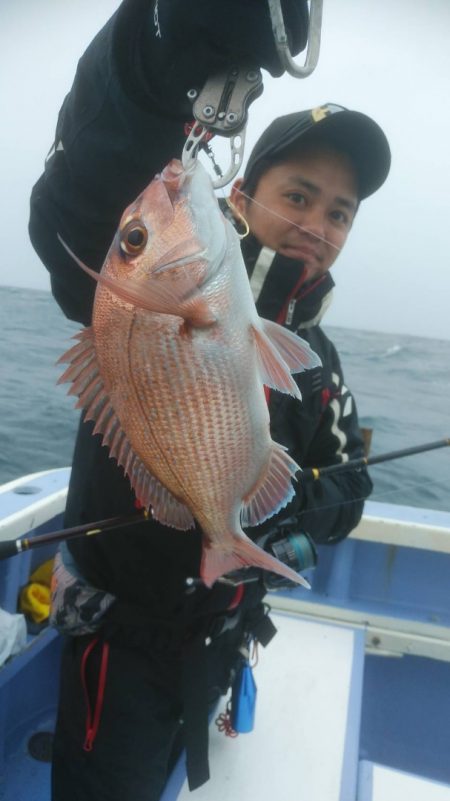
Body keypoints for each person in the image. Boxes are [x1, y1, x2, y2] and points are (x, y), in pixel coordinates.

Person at [28, 2, 390, 800]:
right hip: (120, 643)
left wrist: (296, 513)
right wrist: (168, 45)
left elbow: (350, 483)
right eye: (298, 195)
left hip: (219, 637)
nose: (317, 226)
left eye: (339, 212)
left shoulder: (318, 361)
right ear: (239, 195)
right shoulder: (135, 274)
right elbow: (77, 198)